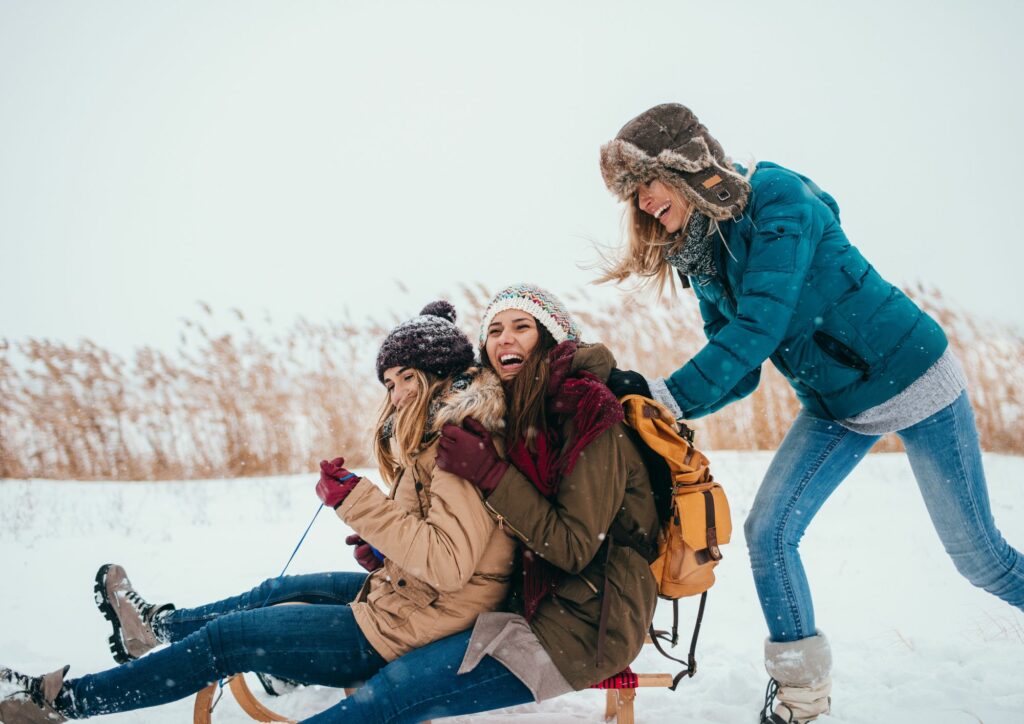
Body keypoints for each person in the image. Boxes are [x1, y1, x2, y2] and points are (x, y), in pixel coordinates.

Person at [597, 102, 1024, 723]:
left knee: (979, 557)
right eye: (633, 195)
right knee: (768, 533)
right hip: (835, 408)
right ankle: (801, 698)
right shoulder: (703, 252)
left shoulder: (778, 199)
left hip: (915, 379)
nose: (643, 204)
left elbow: (759, 326)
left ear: (687, 166)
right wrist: (650, 406)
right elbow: (739, 367)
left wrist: (666, 394)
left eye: (647, 185)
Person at [0, 300, 515, 723]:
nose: (397, 395)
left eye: (405, 379)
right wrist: (382, 547)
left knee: (232, 638)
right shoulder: (439, 435)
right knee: (276, 592)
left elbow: (449, 564)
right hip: (412, 602)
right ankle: (155, 630)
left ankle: (59, 702)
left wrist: (355, 501)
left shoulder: (458, 443)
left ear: (437, 372)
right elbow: (444, 542)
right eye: (389, 384)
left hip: (416, 627)